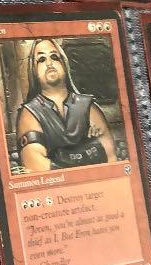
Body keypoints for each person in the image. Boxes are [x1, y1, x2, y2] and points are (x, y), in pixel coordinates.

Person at [15, 39, 118, 171]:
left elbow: (111, 158)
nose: (49, 63)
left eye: (54, 57)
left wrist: (59, 157)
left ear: (63, 63)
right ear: (34, 70)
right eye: (41, 59)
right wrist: (91, 151)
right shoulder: (30, 113)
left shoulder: (87, 106)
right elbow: (37, 166)